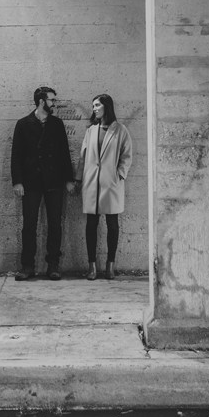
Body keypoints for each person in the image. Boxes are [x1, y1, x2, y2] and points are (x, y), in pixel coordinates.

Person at [11, 86, 75, 281]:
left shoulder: (57, 124)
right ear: (41, 101)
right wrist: (17, 182)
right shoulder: (23, 124)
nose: (54, 103)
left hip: (54, 180)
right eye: (51, 100)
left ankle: (53, 264)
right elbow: (16, 155)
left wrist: (69, 179)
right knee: (29, 224)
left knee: (55, 223)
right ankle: (27, 265)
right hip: (30, 181)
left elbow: (64, 153)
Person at [77, 94, 133, 280]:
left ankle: (110, 265)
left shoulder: (120, 130)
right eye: (93, 105)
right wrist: (78, 179)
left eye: (97, 105)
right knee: (91, 224)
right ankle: (92, 266)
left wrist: (119, 175)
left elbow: (127, 155)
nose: (94, 108)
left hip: (111, 183)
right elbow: (83, 157)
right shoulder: (91, 131)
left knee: (112, 224)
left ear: (106, 106)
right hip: (91, 183)